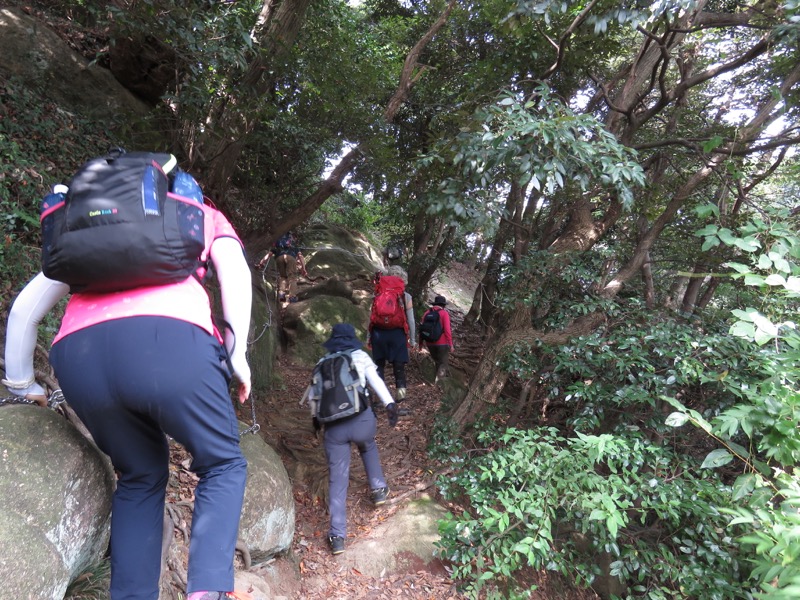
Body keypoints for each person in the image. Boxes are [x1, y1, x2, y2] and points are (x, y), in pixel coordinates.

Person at [3, 183, 253, 600]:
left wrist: (22, 383)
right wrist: (238, 352)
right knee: (223, 463)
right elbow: (234, 270)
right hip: (172, 341)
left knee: (140, 476)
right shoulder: (194, 213)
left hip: (80, 357)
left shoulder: (86, 228)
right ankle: (206, 590)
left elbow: (25, 309)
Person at [307, 323, 399, 555]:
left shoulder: (322, 363)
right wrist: (390, 404)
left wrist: (316, 422)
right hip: (362, 422)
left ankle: (337, 536)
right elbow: (376, 381)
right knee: (367, 445)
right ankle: (378, 489)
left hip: (334, 430)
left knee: (337, 480)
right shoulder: (359, 356)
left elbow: (313, 397)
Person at [368, 265, 416, 405]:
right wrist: (412, 340)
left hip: (378, 332)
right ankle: (400, 397)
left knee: (379, 366)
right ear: (403, 279)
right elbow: (411, 320)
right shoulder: (406, 296)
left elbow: (371, 316)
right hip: (398, 334)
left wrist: (368, 336)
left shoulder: (377, 293)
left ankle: (378, 397)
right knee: (399, 367)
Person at [257, 230, 308, 303]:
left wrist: (261, 263)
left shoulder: (278, 242)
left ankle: (282, 297)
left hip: (279, 258)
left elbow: (269, 254)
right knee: (292, 277)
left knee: (283, 277)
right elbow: (300, 256)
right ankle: (292, 297)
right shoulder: (292, 243)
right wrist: (304, 268)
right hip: (291, 257)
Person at [419, 295, 454, 382]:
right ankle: (439, 385)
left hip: (430, 343)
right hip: (442, 343)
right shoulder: (444, 313)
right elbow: (447, 330)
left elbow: (422, 329)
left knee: (437, 362)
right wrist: (451, 344)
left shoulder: (427, 313)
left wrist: (420, 344)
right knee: (443, 364)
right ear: (443, 305)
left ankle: (435, 382)